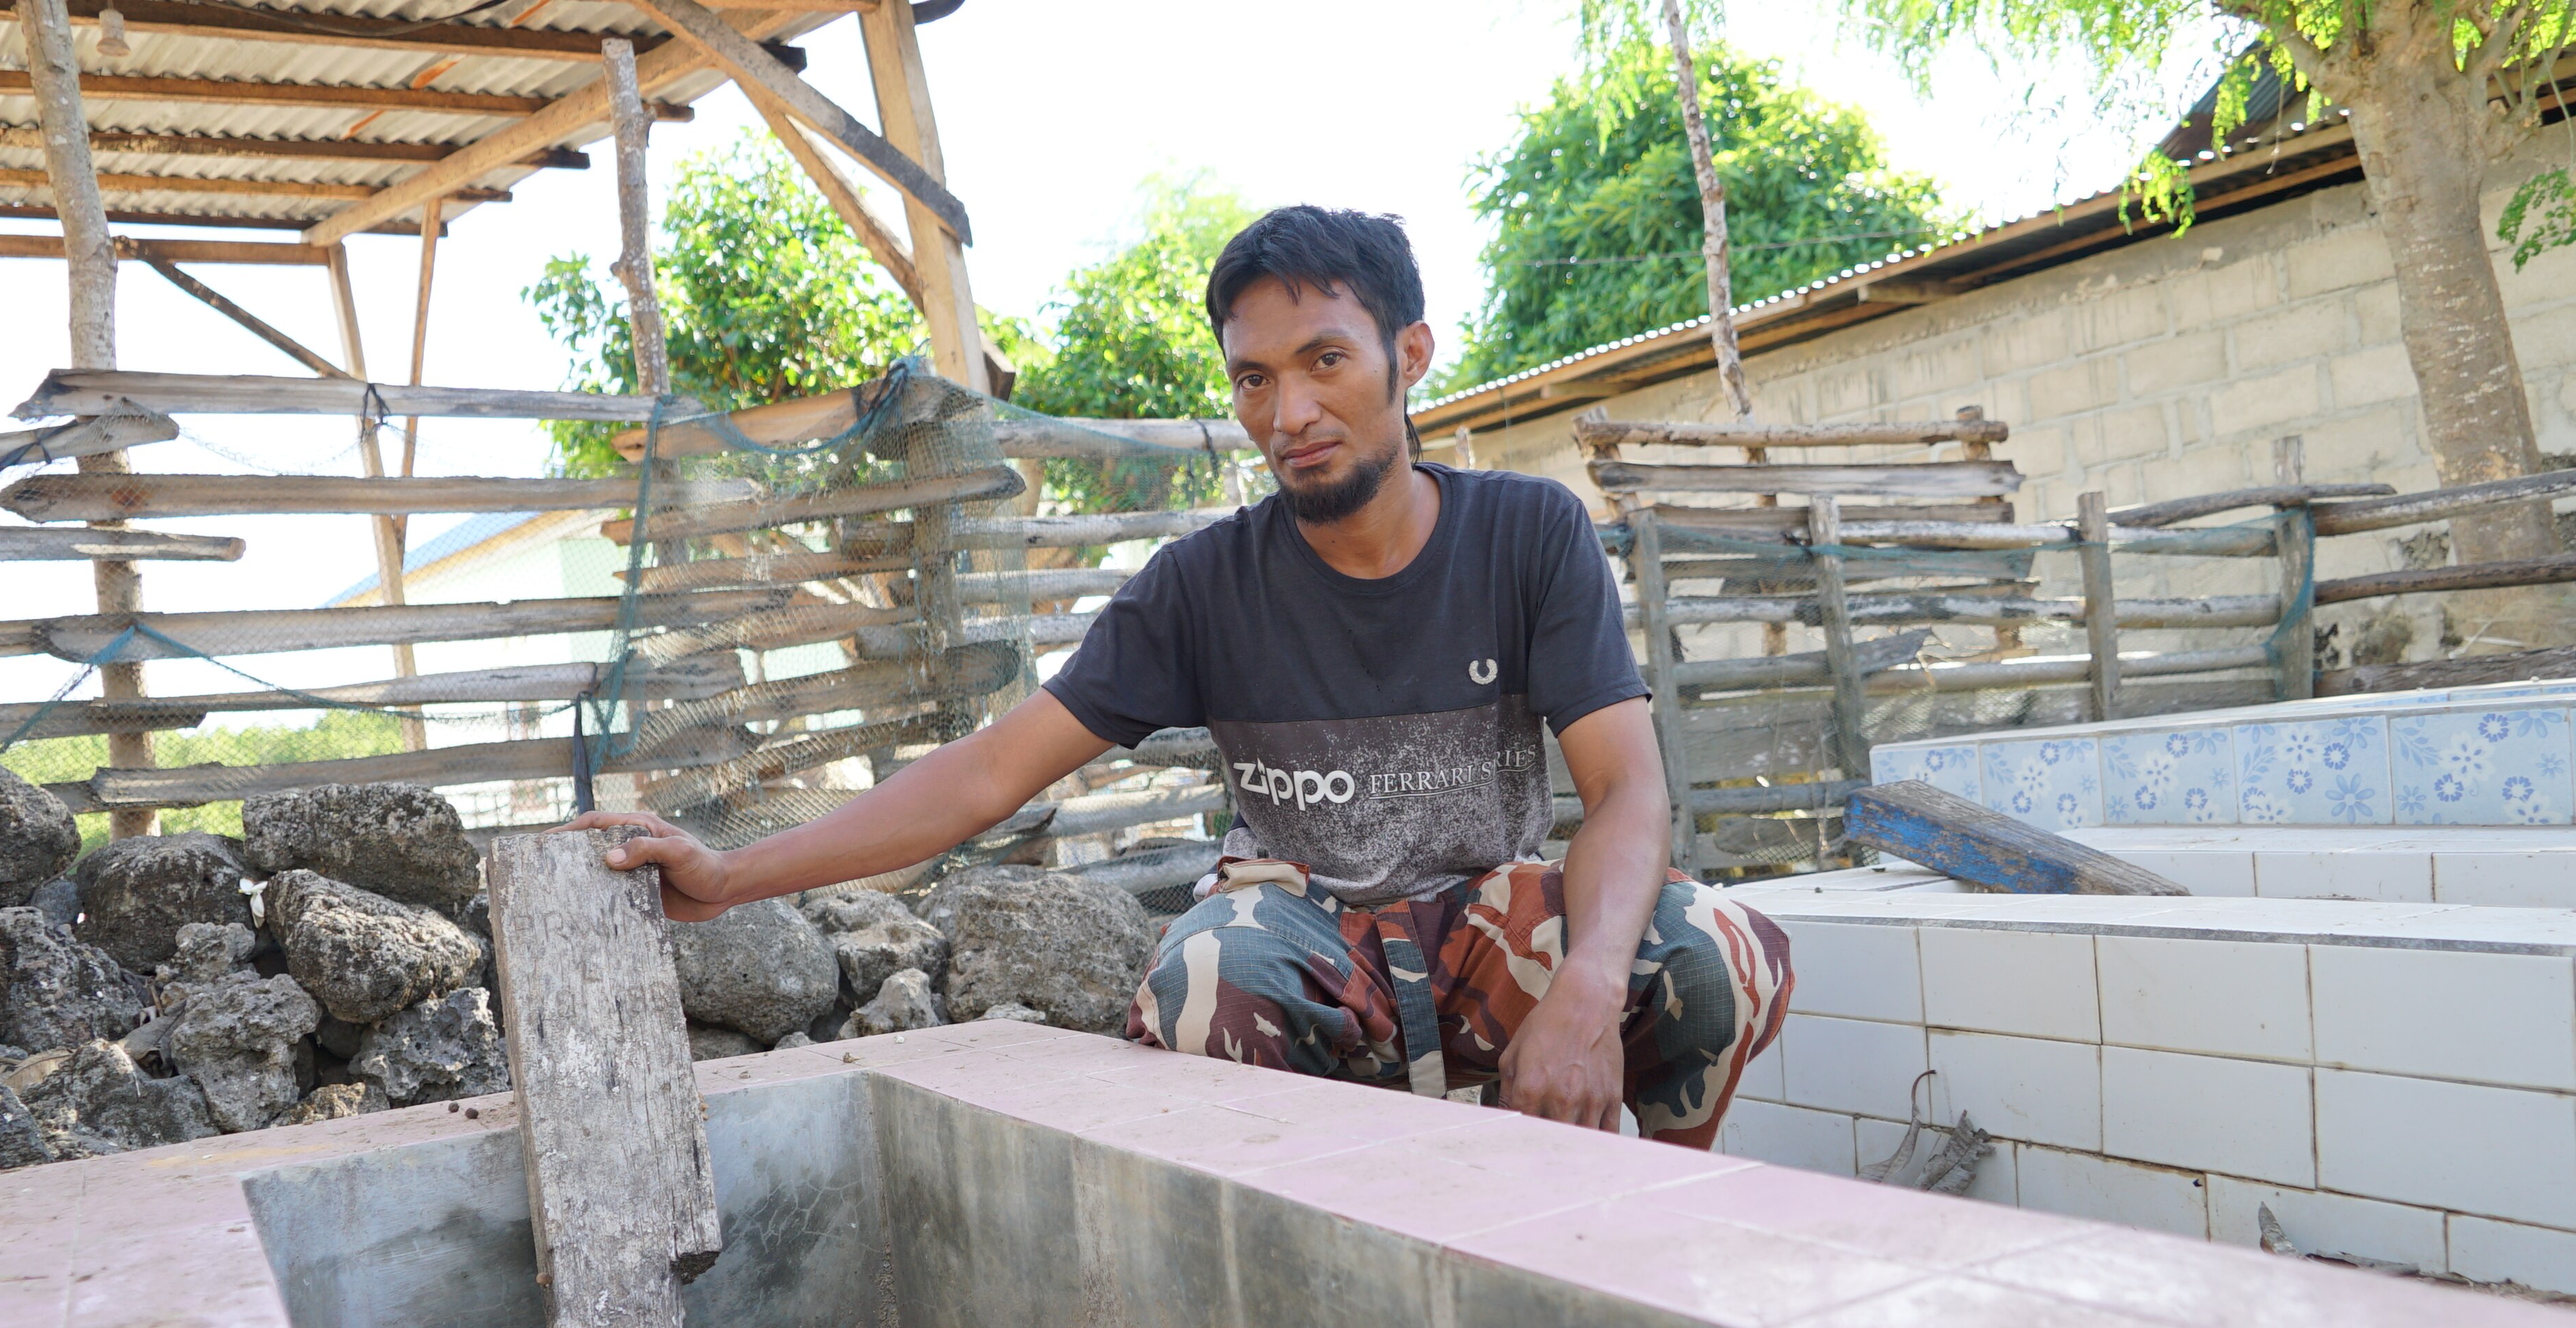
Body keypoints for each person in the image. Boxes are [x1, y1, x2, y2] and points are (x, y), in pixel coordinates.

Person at [570, 206, 1791, 1142]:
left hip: (1489, 926)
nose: (1290, 411)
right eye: (1255, 378)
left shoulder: (1529, 534)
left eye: (1325, 361)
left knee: (1708, 947)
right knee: (1205, 976)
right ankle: (1319, 1270)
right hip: (1307, 938)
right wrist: (729, 876)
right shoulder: (1200, 586)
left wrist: (1582, 987)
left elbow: (1627, 789)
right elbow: (990, 773)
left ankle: (1634, 1224)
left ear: (1408, 355)